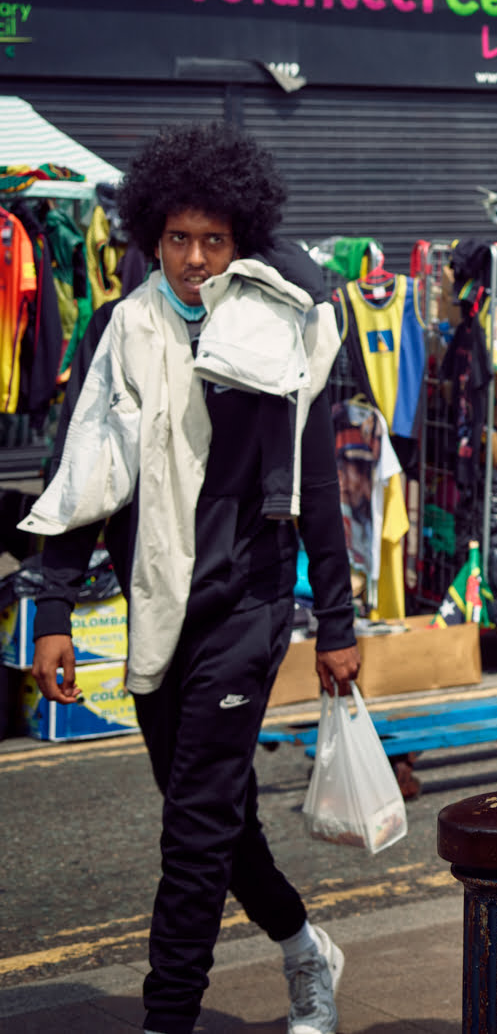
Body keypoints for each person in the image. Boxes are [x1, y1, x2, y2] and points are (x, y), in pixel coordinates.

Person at [24, 123, 357, 1034]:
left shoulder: (281, 332)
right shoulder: (118, 328)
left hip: (248, 604)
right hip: (154, 610)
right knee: (213, 816)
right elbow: (85, 473)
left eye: (215, 241)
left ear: (241, 239)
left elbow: (319, 485)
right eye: (179, 239)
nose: (197, 261)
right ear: (151, 236)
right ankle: (303, 948)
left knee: (192, 831)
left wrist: (337, 620)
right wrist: (53, 607)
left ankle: (166, 1019)